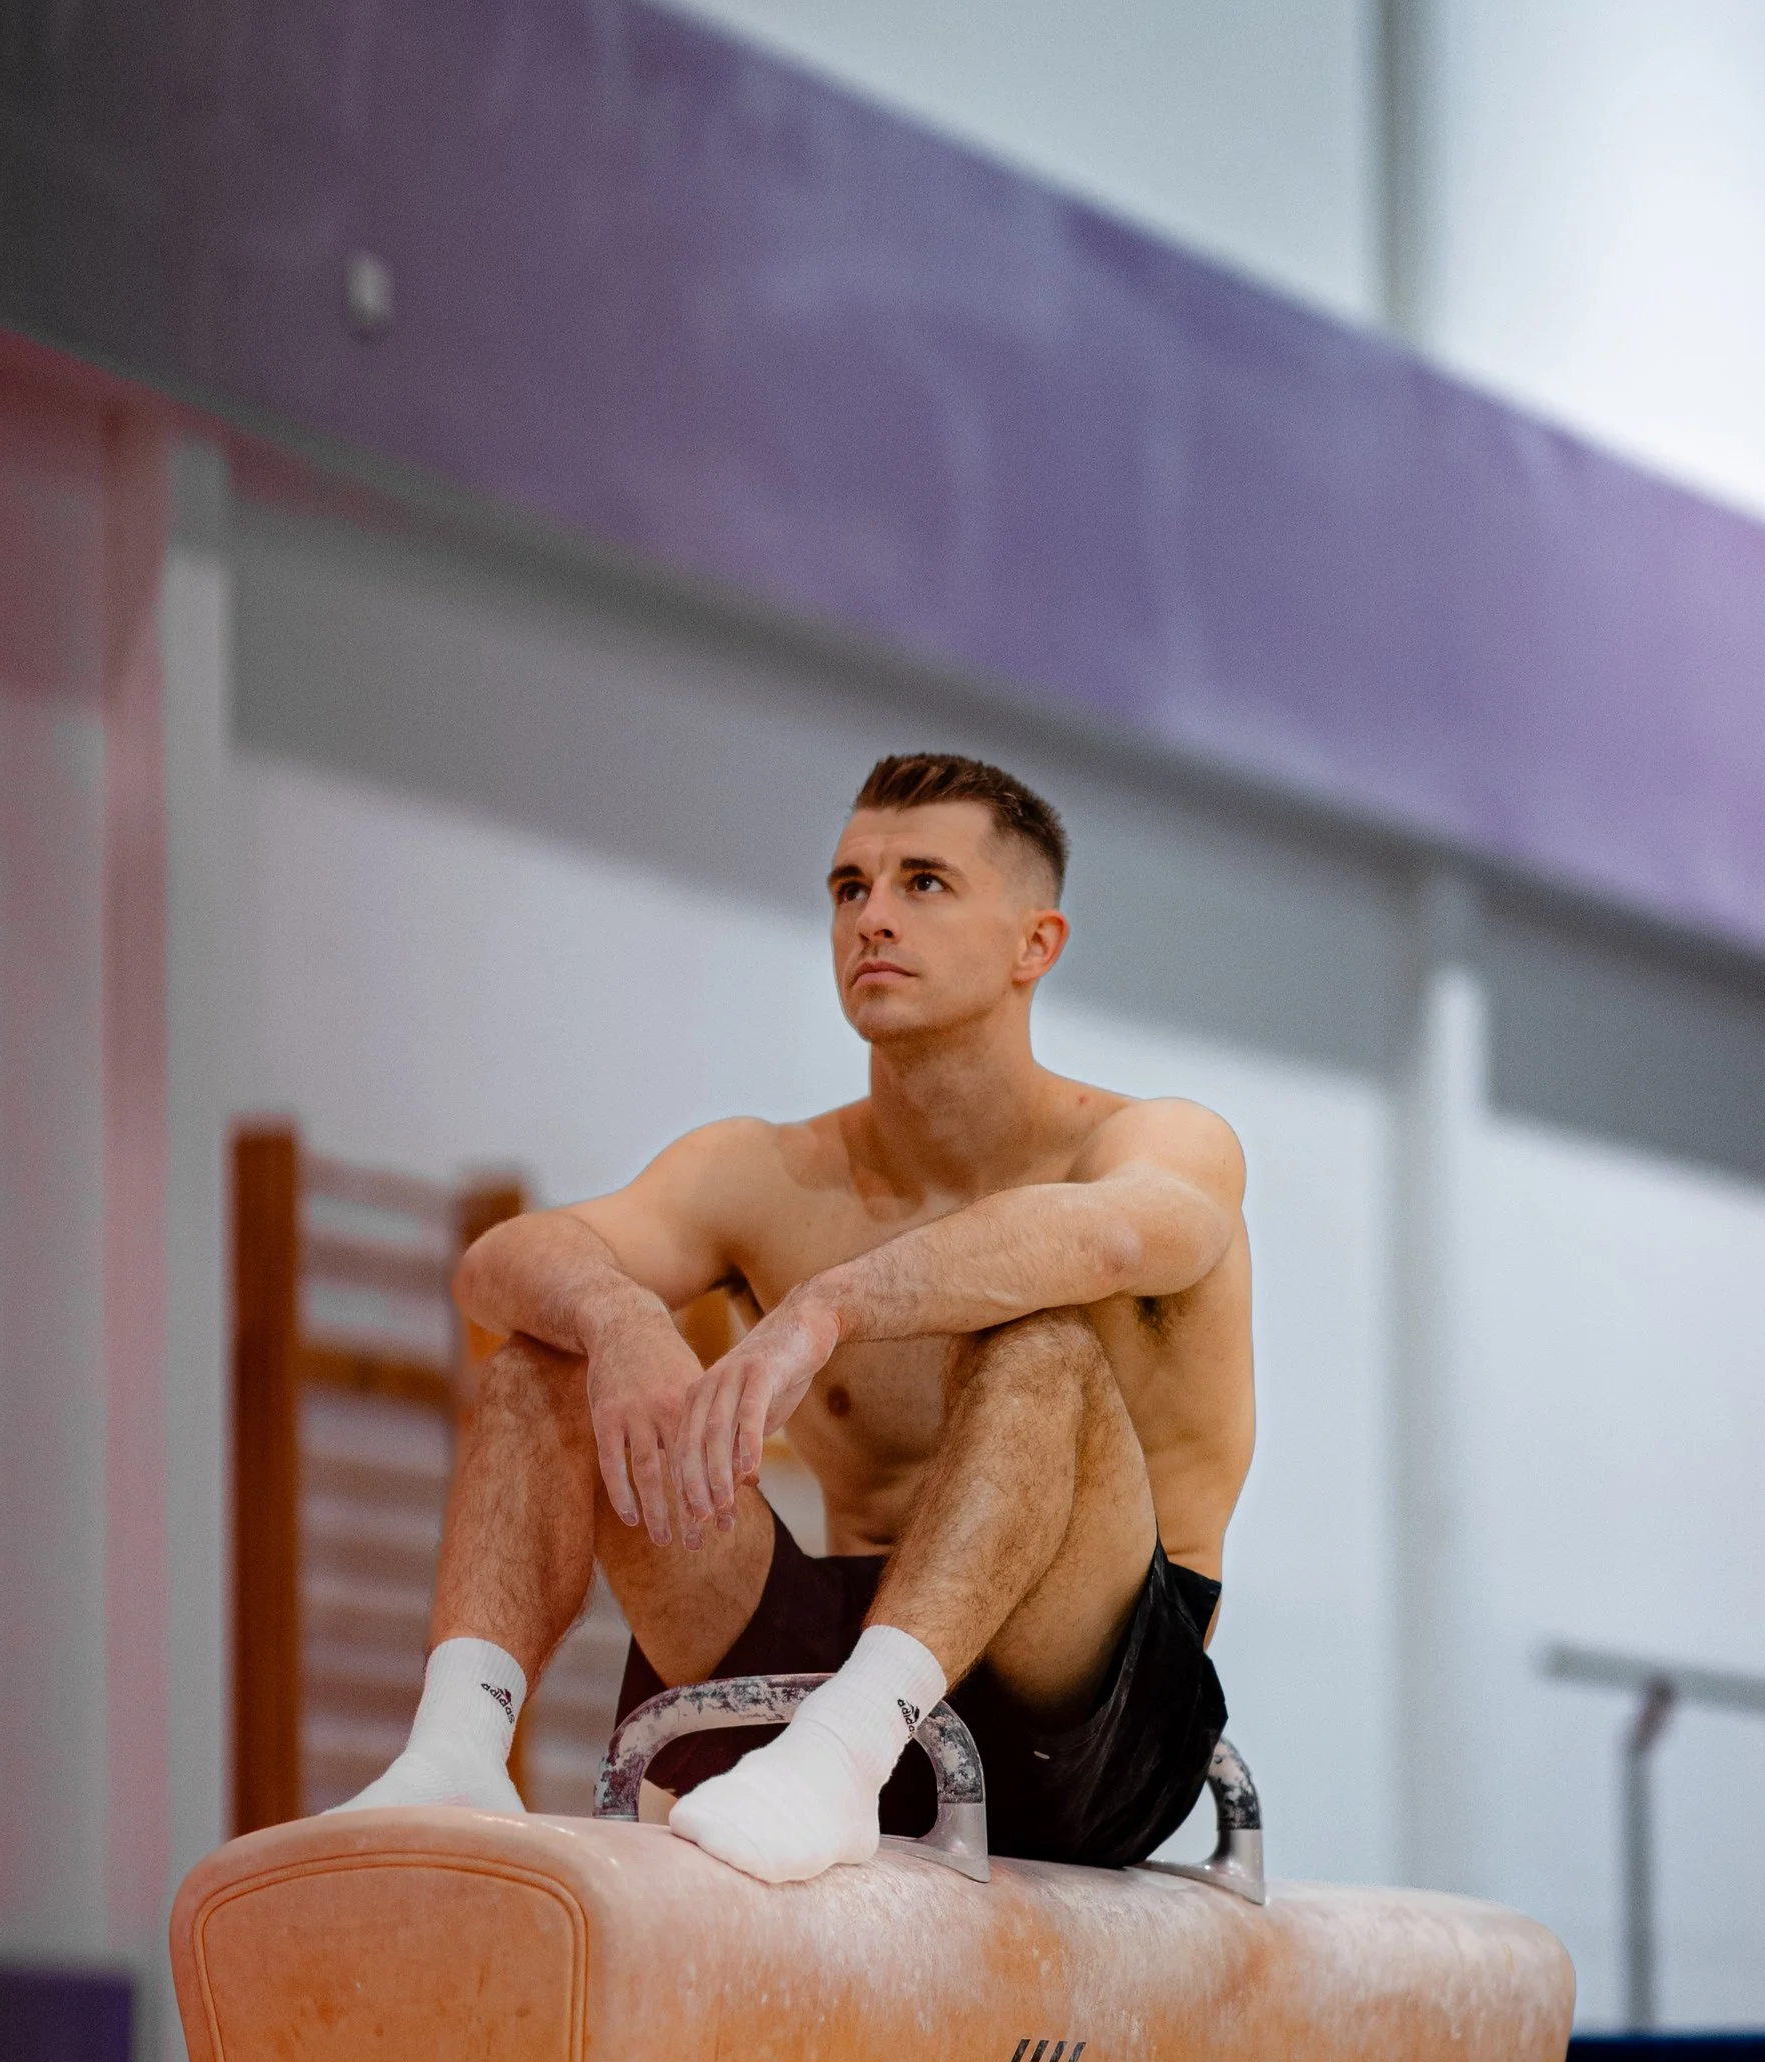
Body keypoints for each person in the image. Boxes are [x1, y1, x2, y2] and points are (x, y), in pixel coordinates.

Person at [341, 750, 1255, 1887]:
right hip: (818, 1663)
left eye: (923, 882)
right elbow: (496, 1261)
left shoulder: (1160, 1141)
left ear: (1035, 944)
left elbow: (1114, 1239)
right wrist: (622, 1315)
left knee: (1044, 1344)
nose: (872, 917)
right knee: (551, 1344)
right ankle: (457, 1752)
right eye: (847, 888)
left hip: (1081, 1710)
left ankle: (844, 1753)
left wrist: (831, 1301)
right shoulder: (764, 1171)